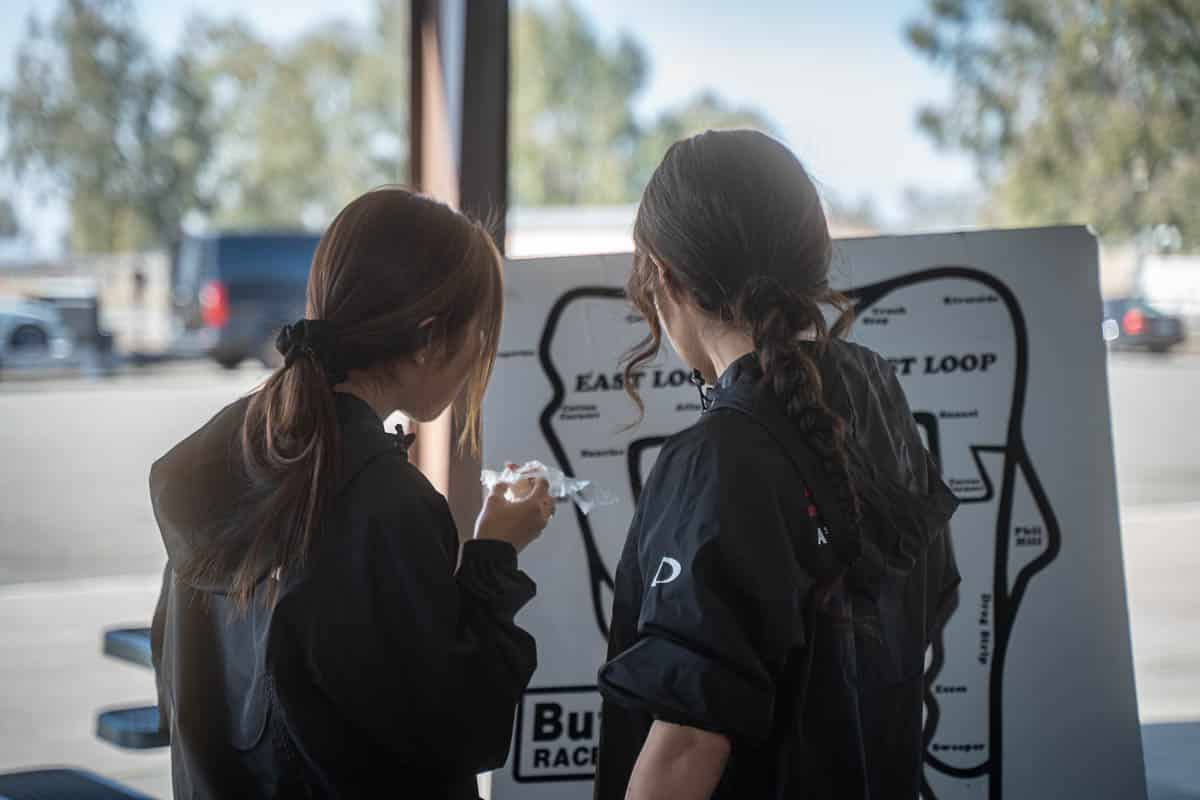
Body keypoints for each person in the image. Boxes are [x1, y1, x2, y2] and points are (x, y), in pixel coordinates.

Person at [148, 187, 555, 799]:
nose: (478, 359)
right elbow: (459, 729)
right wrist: (494, 556)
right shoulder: (386, 504)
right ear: (429, 338)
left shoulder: (228, 457)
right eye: (479, 335)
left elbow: (179, 685)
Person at [594, 130, 961, 800]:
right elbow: (930, 604)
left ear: (663, 275)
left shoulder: (715, 459)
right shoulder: (877, 391)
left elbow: (685, 748)